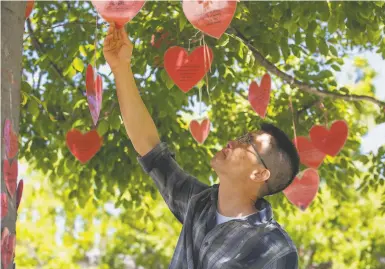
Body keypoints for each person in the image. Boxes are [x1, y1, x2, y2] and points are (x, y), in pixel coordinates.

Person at [103, 23, 300, 269]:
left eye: (248, 141)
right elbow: (150, 149)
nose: (234, 141)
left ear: (260, 173)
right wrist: (120, 67)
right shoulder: (199, 205)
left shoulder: (276, 249)